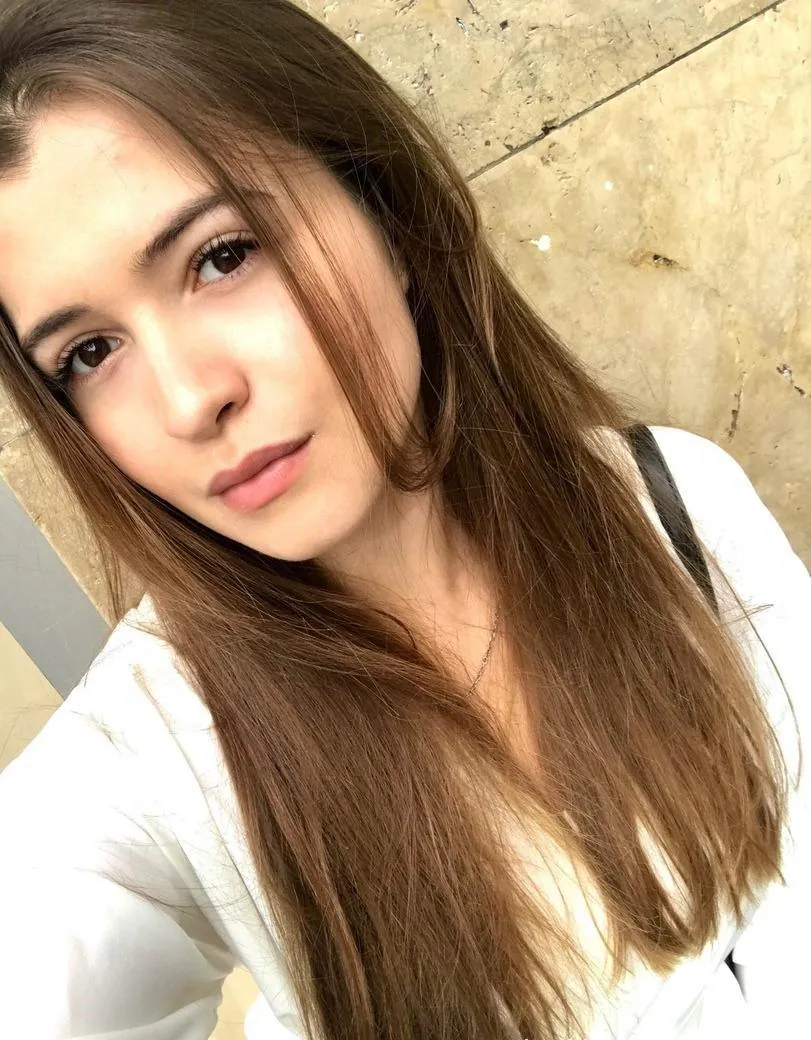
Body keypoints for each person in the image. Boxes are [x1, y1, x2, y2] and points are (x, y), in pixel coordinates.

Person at [0, 1, 807, 1038]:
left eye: (221, 255)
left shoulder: (667, 500)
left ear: (383, 209)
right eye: (88, 354)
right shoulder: (149, 754)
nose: (190, 399)